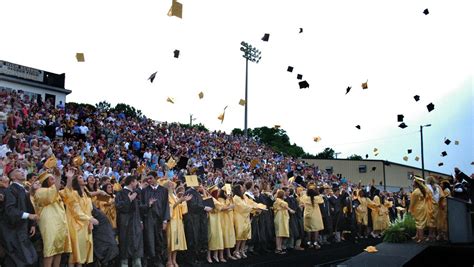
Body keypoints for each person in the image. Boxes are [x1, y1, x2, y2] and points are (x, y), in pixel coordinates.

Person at [33, 169, 71, 267]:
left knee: (59, 249)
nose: (54, 181)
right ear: (46, 181)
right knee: (50, 249)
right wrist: (58, 177)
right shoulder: (40, 191)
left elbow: (67, 192)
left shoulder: (56, 192)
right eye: (51, 179)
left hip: (59, 222)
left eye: (54, 179)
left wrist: (69, 178)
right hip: (49, 222)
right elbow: (51, 194)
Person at [61, 168, 98, 266]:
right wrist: (90, 219)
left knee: (82, 252)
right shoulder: (73, 193)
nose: (84, 178)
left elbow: (88, 210)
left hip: (86, 225)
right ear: (76, 182)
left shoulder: (85, 194)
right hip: (76, 225)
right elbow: (76, 212)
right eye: (81, 177)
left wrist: (90, 221)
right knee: (75, 253)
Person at [2, 168, 39, 266]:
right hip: (13, 231)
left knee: (28, 258)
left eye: (22, 170)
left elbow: (29, 207)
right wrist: (29, 216)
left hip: (23, 229)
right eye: (18, 171)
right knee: (22, 260)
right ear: (13, 177)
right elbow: (10, 210)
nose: (22, 171)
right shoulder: (10, 190)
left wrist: (32, 225)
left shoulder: (23, 189)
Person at [141, 173, 170, 267]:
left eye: (150, 178)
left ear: (156, 178)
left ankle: (158, 260)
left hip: (159, 219)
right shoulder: (144, 191)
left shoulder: (163, 190)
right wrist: (141, 220)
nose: (148, 180)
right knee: (149, 239)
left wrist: (165, 220)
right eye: (147, 179)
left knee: (159, 240)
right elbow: (141, 206)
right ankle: (150, 261)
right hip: (148, 219)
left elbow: (166, 206)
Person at [115, 175, 144, 267]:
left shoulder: (135, 193)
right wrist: (129, 199)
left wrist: (140, 221)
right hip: (125, 223)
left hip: (135, 223)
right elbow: (119, 206)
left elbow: (138, 209)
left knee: (136, 244)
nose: (137, 184)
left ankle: (137, 264)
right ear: (132, 182)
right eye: (136, 182)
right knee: (125, 244)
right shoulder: (120, 193)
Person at [183, 179, 212, 264]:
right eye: (199, 184)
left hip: (197, 219)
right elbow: (192, 206)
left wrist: (203, 191)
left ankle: (196, 258)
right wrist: (204, 208)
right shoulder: (189, 192)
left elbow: (204, 202)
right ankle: (191, 260)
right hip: (192, 219)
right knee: (192, 239)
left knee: (197, 239)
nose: (200, 185)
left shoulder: (196, 192)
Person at [165, 182, 191, 267]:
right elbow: (170, 208)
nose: (172, 187)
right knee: (171, 240)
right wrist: (180, 200)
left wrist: (183, 201)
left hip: (178, 220)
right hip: (172, 220)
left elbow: (183, 210)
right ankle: (169, 260)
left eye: (172, 186)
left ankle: (174, 259)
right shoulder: (166, 196)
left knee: (177, 241)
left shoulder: (175, 196)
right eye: (170, 186)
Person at [232, 184, 254, 259]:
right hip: (239, 217)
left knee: (245, 234)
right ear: (238, 190)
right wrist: (252, 208)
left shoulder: (243, 197)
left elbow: (249, 203)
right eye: (241, 188)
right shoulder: (236, 198)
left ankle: (242, 250)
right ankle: (236, 251)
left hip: (245, 217)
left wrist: (256, 206)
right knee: (239, 235)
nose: (243, 189)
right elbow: (243, 207)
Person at [300, 183, 324, 249]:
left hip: (307, 215)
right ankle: (315, 243)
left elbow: (301, 199)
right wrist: (317, 192)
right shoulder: (317, 198)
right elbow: (322, 200)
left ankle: (309, 243)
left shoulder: (305, 197)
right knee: (316, 229)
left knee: (308, 229)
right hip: (315, 215)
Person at [217, 188, 236, 261]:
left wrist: (230, 198)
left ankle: (229, 254)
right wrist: (228, 202)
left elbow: (232, 206)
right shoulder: (220, 199)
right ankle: (221, 256)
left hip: (228, 220)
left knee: (228, 237)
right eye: (227, 192)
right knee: (223, 237)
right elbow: (222, 208)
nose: (228, 193)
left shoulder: (229, 198)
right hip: (223, 220)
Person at [273, 189, 294, 254]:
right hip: (279, 218)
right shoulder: (278, 200)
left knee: (281, 233)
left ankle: (280, 247)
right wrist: (290, 209)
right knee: (279, 233)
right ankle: (278, 248)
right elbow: (284, 204)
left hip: (282, 218)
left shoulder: (280, 200)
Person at [409, 177, 428, 243]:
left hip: (418, 209)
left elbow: (412, 202)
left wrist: (410, 210)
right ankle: (417, 235)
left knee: (419, 223)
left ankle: (421, 237)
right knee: (420, 222)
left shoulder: (415, 192)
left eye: (413, 182)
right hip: (423, 207)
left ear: (416, 183)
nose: (412, 183)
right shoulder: (422, 190)